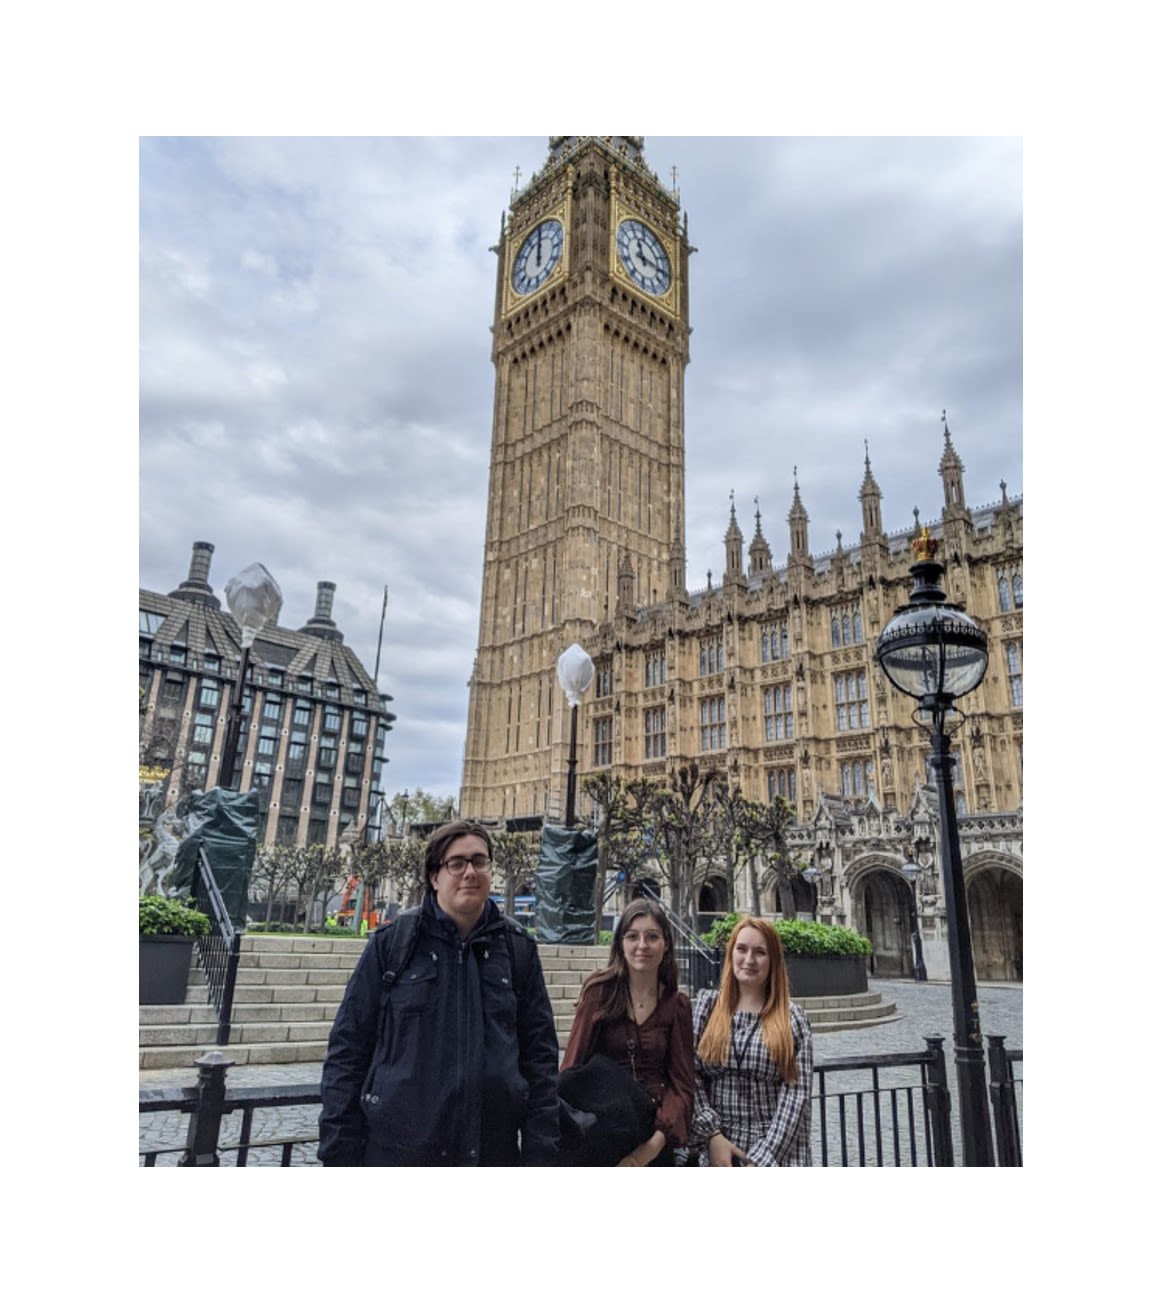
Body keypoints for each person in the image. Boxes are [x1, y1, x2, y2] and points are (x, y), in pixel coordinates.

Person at [318, 819, 560, 1166]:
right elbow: (348, 1049)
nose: (470, 872)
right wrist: (339, 1152)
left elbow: (540, 1059)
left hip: (490, 1152)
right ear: (434, 876)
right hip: (400, 1154)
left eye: (480, 861)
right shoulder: (393, 945)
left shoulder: (518, 949)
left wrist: (541, 1154)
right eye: (456, 863)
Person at [560, 898, 695, 1166]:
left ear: (666, 944)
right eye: (632, 936)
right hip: (601, 1132)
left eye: (652, 937)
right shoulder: (599, 994)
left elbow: (682, 1085)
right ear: (621, 943)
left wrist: (648, 1150)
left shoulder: (676, 1005)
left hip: (654, 1135)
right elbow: (571, 1071)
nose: (642, 945)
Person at [687, 916, 813, 1166]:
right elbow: (689, 1073)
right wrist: (713, 1136)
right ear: (731, 953)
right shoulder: (707, 1007)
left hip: (776, 1151)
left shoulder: (792, 1018)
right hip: (716, 1149)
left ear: (773, 960)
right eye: (742, 949)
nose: (749, 959)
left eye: (760, 952)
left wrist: (761, 1159)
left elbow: (796, 1096)